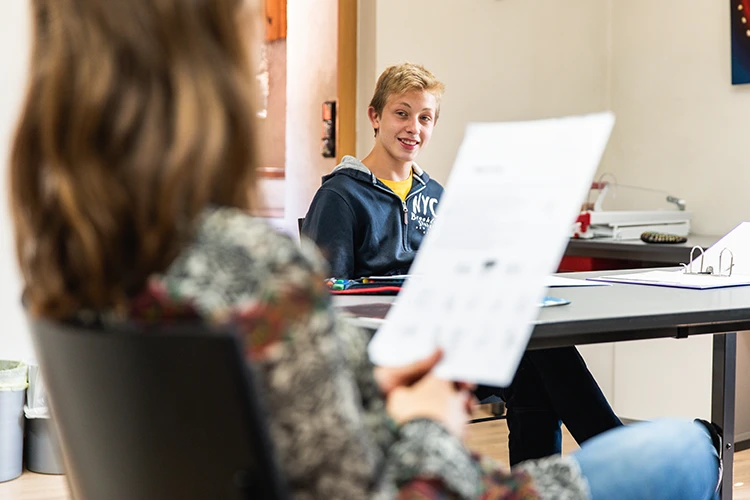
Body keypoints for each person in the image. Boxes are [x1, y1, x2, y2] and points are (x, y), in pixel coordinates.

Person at [11, 0, 722, 499]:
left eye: (426, 117)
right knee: (689, 444)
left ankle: (574, 442)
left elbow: (311, 418)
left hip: (404, 370)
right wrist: (422, 418)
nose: (414, 128)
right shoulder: (266, 254)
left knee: (541, 360)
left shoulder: (76, 270)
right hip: (415, 445)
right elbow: (378, 470)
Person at [302, 63, 623, 465]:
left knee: (537, 344)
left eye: (425, 118)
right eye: (401, 113)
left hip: (446, 337)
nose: (413, 128)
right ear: (375, 116)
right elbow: (326, 298)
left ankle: (561, 473)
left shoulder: (437, 195)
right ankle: (617, 450)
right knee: (535, 355)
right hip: (386, 351)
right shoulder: (340, 196)